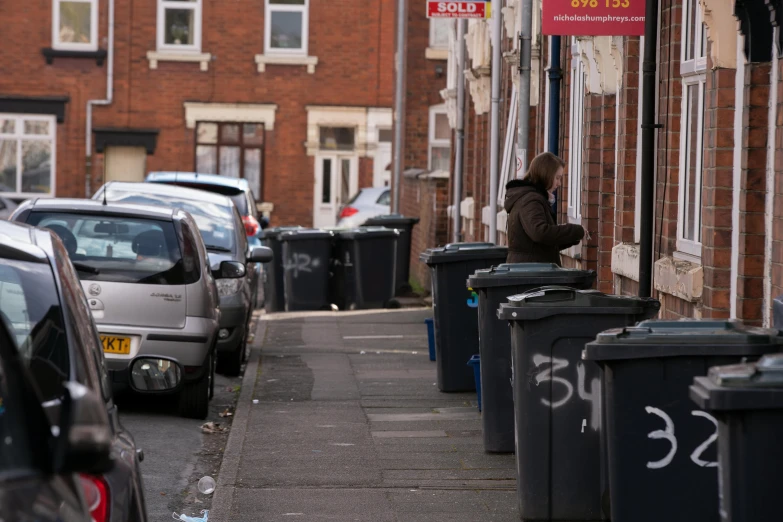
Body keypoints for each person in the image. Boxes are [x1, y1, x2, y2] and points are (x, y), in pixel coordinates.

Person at [503, 151, 586, 265]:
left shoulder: (530, 197)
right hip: (531, 273)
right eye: (557, 178)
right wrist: (576, 230)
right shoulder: (531, 200)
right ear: (546, 175)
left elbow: (541, 244)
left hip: (528, 268)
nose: (559, 183)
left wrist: (572, 237)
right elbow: (540, 233)